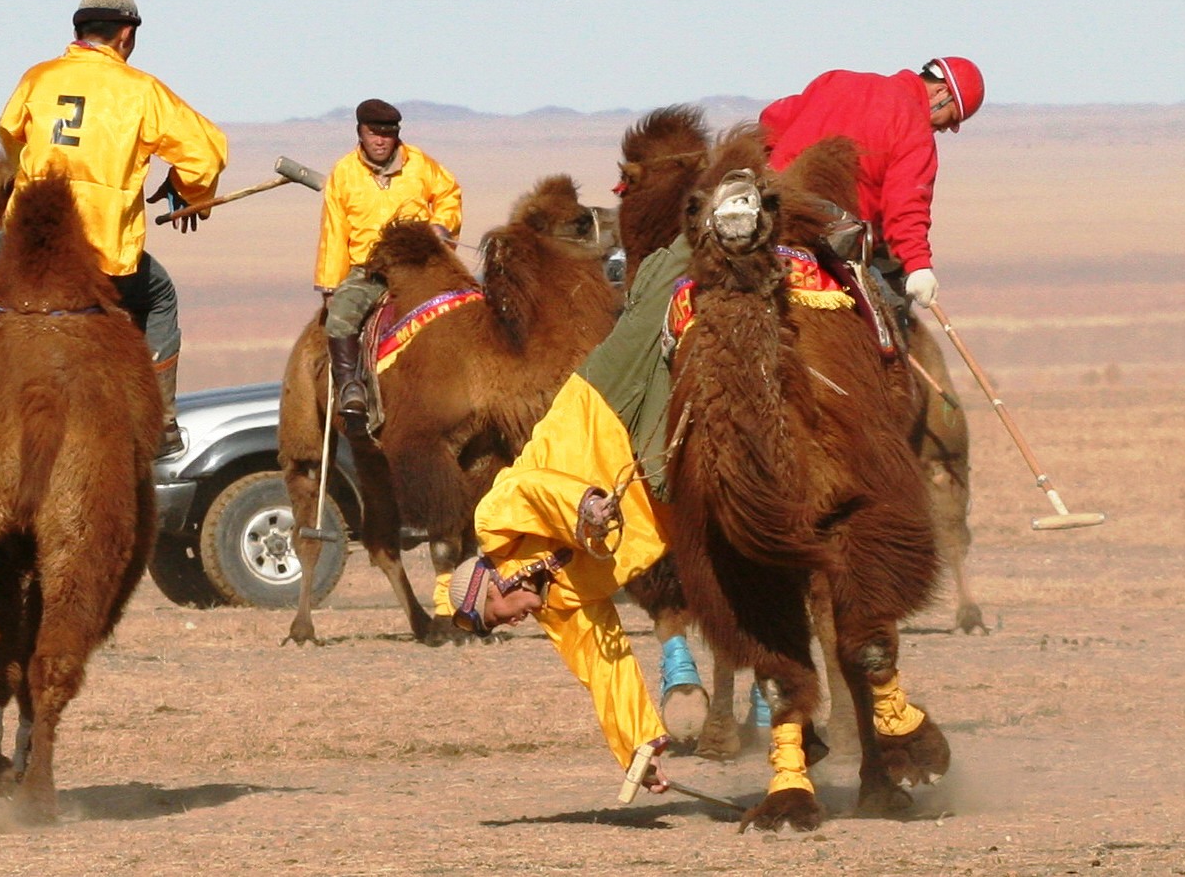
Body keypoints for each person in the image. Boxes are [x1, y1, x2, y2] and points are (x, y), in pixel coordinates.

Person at [0, 0, 228, 458]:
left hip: (30, 245)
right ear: (125, 35)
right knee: (160, 297)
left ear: (79, 31)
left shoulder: (38, 79)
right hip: (105, 254)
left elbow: (11, 137)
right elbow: (206, 152)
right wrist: (189, 191)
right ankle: (163, 421)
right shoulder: (142, 91)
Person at [448, 228, 699, 796]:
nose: (512, 622)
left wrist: (581, 506)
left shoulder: (494, 525)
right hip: (652, 495)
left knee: (657, 293)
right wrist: (641, 747)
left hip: (599, 404)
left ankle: (719, 218)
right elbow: (603, 667)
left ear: (489, 585)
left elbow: (534, 488)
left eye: (496, 616)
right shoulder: (560, 611)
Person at [759, 56, 985, 315]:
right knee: (891, 303)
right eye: (950, 118)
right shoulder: (914, 129)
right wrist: (918, 266)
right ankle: (887, 353)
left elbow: (772, 121)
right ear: (940, 92)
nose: (944, 129)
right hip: (830, 233)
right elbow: (907, 206)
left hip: (772, 214)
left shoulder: (836, 80)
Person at [315, 99, 462, 434]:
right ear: (360, 133)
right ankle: (351, 388)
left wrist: (441, 227)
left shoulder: (421, 165)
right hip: (369, 269)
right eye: (374, 133)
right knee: (339, 318)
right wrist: (329, 284)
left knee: (468, 306)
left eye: (388, 133)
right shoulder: (344, 172)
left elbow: (449, 194)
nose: (381, 140)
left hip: (420, 264)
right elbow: (334, 229)